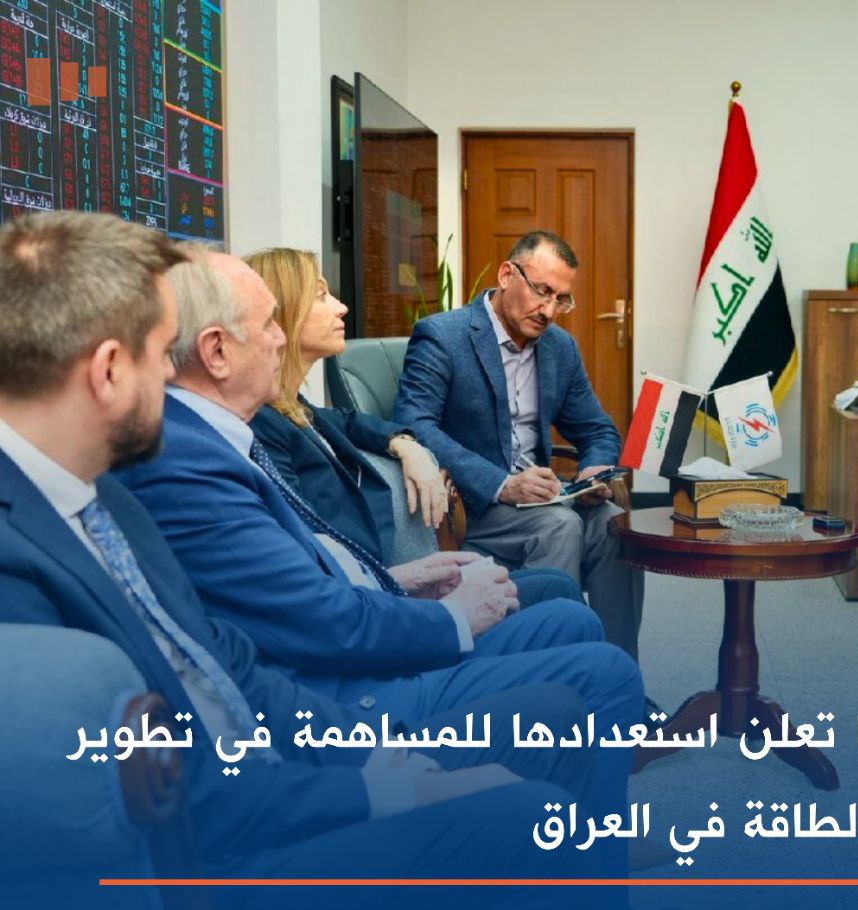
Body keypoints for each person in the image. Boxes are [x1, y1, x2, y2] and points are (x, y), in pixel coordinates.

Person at [0, 211, 641, 910]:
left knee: (539, 748)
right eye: (157, 354)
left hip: (278, 766)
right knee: (523, 813)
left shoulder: (104, 498)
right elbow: (181, 797)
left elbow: (226, 661)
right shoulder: (32, 552)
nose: (171, 376)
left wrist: (379, 757)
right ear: (111, 369)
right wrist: (385, 785)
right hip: (218, 871)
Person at [112, 248, 643, 824]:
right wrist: (446, 616)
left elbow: (306, 550)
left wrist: (391, 572)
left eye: (562, 298)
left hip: (357, 629)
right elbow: (305, 622)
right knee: (593, 666)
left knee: (590, 571)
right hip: (353, 683)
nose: (281, 336)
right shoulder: (196, 459)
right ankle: (580, 837)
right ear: (216, 351)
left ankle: (583, 812)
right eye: (270, 324)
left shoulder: (241, 431)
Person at [242, 246, 580, 609]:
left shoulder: (300, 411)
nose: (342, 307)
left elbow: (350, 420)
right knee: (563, 599)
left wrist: (405, 444)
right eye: (321, 295)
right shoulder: (264, 427)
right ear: (283, 314)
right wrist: (405, 585)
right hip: (379, 598)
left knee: (559, 583)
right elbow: (310, 553)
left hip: (397, 577)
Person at [393, 230, 645, 662]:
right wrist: (502, 484)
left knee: (613, 525)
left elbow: (597, 430)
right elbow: (413, 424)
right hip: (475, 504)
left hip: (544, 497)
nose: (549, 311)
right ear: (507, 275)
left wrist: (594, 469)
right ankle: (553, 673)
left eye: (561, 299)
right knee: (559, 526)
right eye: (542, 292)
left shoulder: (559, 348)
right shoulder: (443, 336)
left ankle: (618, 670)